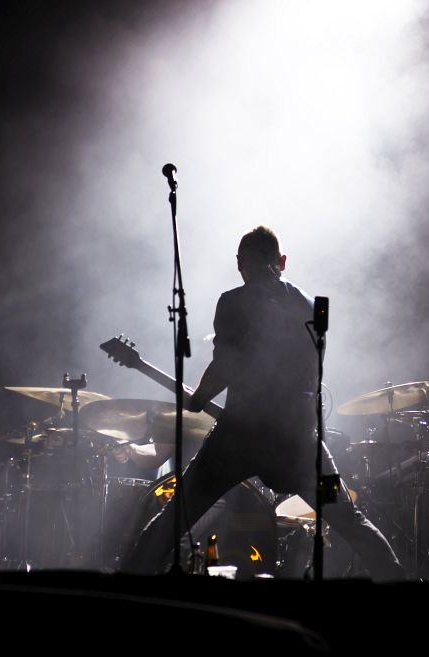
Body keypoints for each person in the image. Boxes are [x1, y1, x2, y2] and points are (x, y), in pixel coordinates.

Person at [121, 226, 404, 579]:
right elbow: (311, 374)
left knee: (174, 518)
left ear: (240, 264)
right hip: (300, 444)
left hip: (236, 440)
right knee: (349, 518)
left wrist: (199, 398)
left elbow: (225, 365)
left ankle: (126, 585)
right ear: (282, 262)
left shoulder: (231, 301)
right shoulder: (316, 308)